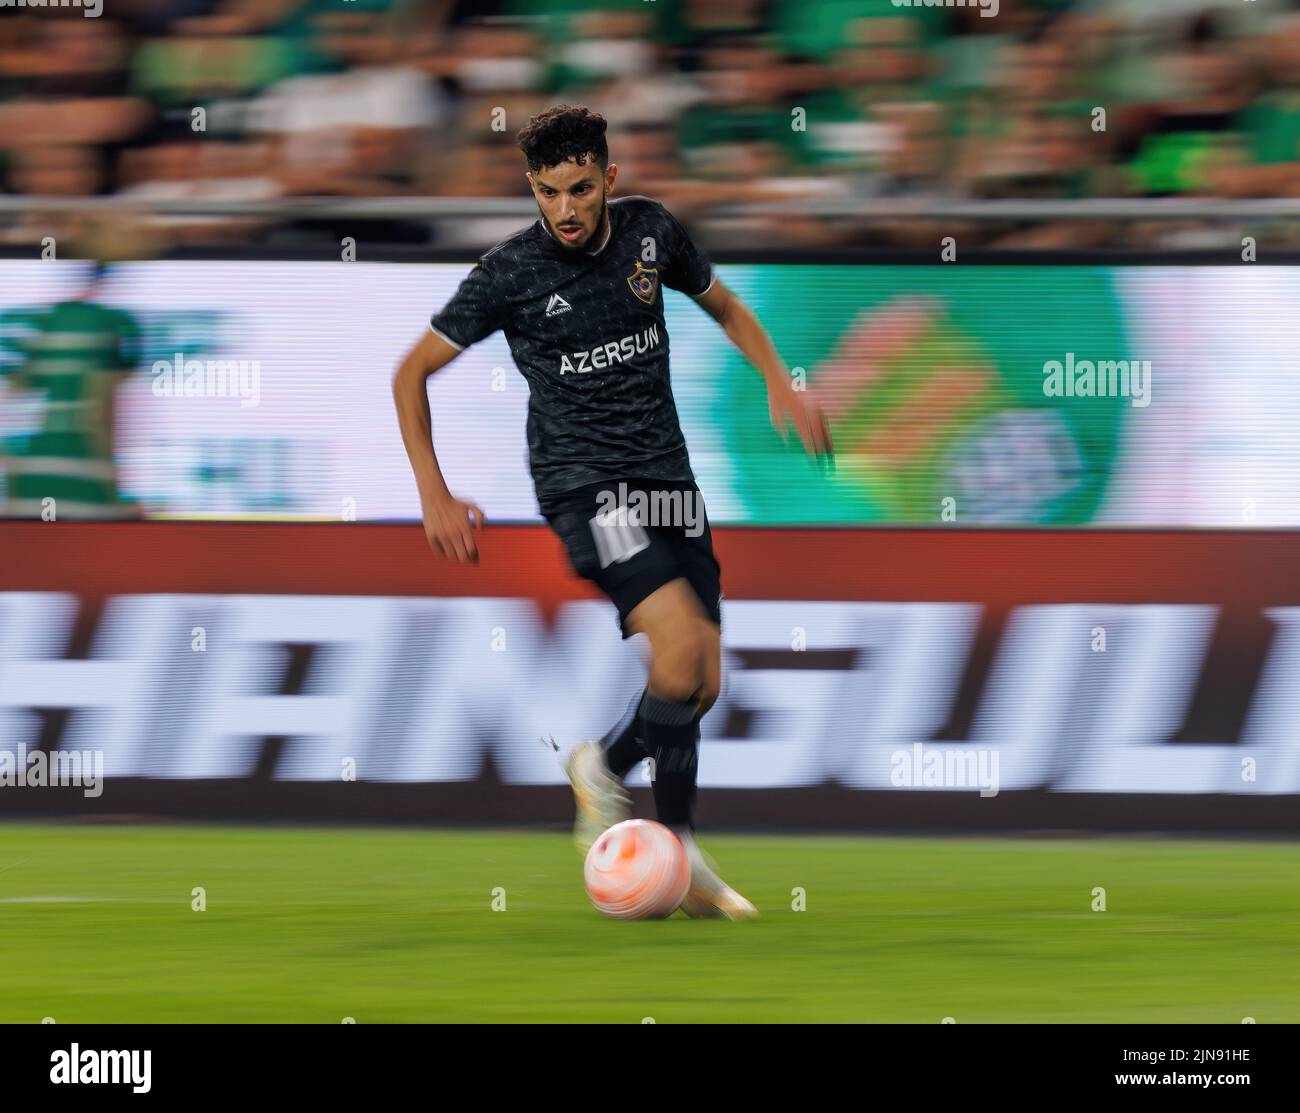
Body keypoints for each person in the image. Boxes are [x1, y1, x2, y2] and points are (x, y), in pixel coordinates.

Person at [392, 105, 832, 918]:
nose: (566, 208)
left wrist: (781, 380)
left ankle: (661, 827)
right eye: (550, 192)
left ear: (610, 181)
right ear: (531, 187)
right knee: (684, 647)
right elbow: (409, 372)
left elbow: (727, 306)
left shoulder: (650, 234)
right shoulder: (509, 274)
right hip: (586, 486)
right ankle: (622, 789)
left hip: (670, 479)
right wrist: (434, 492)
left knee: (699, 682)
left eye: (582, 189)